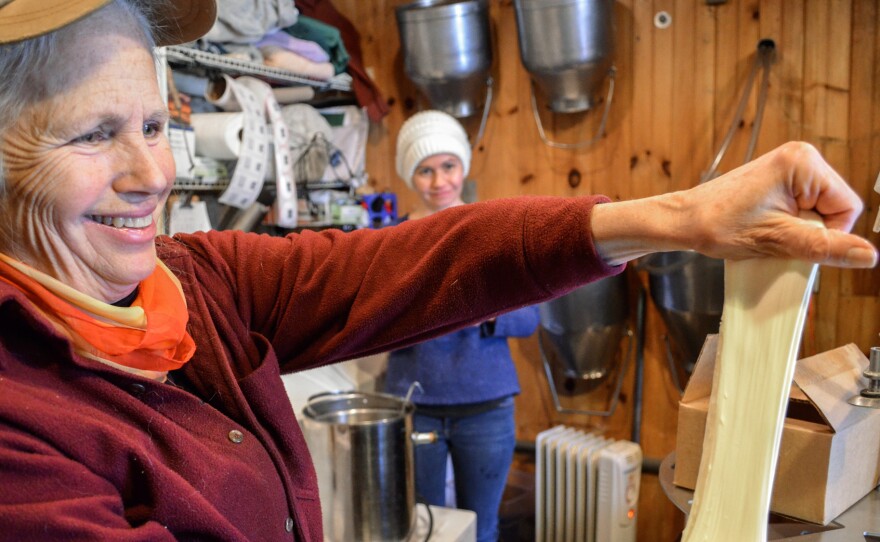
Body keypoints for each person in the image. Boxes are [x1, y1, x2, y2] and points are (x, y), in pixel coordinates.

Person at [0, 1, 876, 540]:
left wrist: (683, 218)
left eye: (156, 126)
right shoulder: (21, 428)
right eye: (94, 134)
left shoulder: (195, 283)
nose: (153, 174)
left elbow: (420, 261)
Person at [385, 110, 539, 542]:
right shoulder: (389, 243)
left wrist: (480, 306)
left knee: (481, 528)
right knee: (424, 530)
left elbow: (529, 318)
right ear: (409, 175)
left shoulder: (493, 233)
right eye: (425, 170)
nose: (439, 181)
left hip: (486, 408)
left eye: (448, 166)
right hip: (416, 406)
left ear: (463, 166)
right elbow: (373, 322)